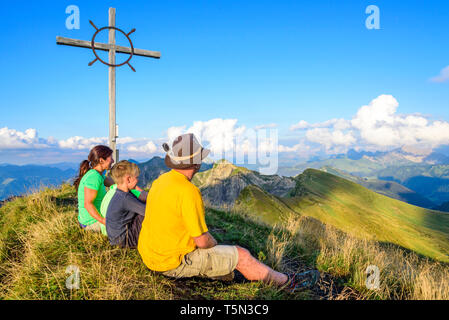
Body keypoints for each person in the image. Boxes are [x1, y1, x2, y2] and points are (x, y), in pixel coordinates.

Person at [137, 133, 319, 293]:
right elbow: (202, 242)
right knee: (242, 255)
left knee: (223, 252)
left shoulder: (161, 180)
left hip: (149, 255)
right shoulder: (188, 191)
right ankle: (289, 283)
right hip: (170, 263)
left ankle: (232, 273)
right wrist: (213, 242)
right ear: (195, 162)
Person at [100, 160, 148, 248]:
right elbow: (148, 211)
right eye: (136, 177)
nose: (138, 180)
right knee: (151, 214)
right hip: (124, 240)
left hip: (115, 238)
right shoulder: (125, 198)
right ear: (128, 179)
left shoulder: (119, 193)